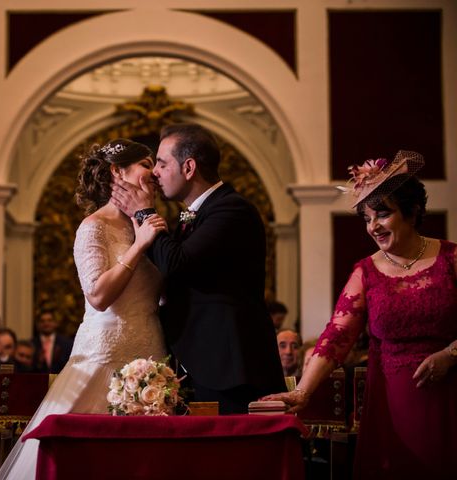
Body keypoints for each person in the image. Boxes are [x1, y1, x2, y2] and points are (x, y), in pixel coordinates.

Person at [263, 151, 457, 479]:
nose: (373, 227)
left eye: (382, 215)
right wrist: (303, 392)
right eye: (366, 218)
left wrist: (452, 354)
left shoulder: (451, 259)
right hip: (393, 405)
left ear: (412, 212)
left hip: (451, 396)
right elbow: (336, 337)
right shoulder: (365, 272)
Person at [0, 138, 168, 479]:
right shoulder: (94, 227)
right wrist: (140, 245)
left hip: (151, 349)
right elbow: (98, 295)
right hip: (105, 353)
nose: (156, 172)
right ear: (118, 172)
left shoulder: (150, 221)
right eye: (148, 164)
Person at [111, 123, 285, 413]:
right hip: (199, 360)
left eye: (163, 163)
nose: (155, 172)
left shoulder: (232, 209)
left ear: (189, 167)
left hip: (228, 366)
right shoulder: (191, 215)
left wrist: (144, 212)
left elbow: (177, 265)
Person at [31, 308, 73, 374]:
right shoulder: (32, 344)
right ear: (38, 324)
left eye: (49, 320)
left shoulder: (67, 343)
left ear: (55, 323)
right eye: (42, 321)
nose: (46, 323)